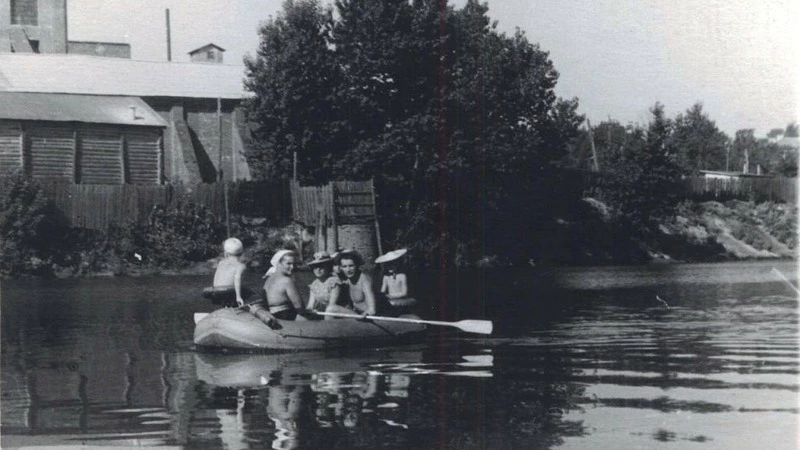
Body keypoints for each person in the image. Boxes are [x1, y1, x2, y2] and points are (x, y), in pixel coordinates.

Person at [263, 250, 305, 320]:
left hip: (272, 315)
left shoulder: (268, 279)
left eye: (294, 264)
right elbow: (299, 306)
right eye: (288, 263)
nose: (292, 267)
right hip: (285, 317)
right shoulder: (287, 281)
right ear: (279, 264)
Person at [334, 250, 378, 316]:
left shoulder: (365, 280)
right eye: (344, 266)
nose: (348, 270)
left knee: (331, 309)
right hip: (357, 314)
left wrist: (363, 315)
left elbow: (372, 310)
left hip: (369, 317)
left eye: (351, 266)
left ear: (357, 265)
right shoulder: (348, 280)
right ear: (341, 268)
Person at [211, 237, 248, 306]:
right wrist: (238, 296)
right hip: (229, 292)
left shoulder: (221, 263)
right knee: (247, 291)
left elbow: (217, 276)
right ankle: (237, 305)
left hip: (216, 290)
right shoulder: (241, 266)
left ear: (226, 253)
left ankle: (225, 306)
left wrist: (214, 288)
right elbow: (237, 279)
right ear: (242, 253)